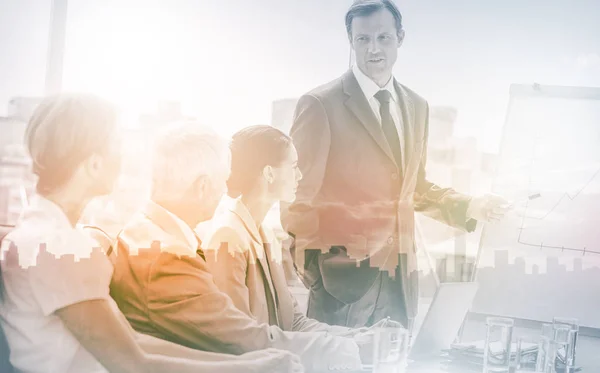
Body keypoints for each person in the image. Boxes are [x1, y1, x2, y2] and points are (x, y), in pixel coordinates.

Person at [0, 93, 303, 373]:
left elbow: (132, 342)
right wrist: (253, 368)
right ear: (93, 164)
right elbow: (132, 362)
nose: (124, 159)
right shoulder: (61, 247)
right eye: (116, 146)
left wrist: (252, 362)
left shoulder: (44, 232)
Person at [281, 0, 509, 330]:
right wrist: (316, 275)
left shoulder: (417, 107)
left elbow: (412, 187)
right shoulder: (319, 105)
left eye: (383, 38)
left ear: (400, 37)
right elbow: (295, 198)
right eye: (363, 39)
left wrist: (472, 205)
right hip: (341, 290)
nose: (373, 49)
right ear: (351, 41)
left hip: (400, 287)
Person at [109, 122, 363, 372]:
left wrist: (355, 340)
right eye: (223, 180)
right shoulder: (168, 257)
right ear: (203, 186)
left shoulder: (149, 234)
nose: (227, 190)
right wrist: (349, 349)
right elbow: (237, 338)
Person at [202, 125, 363, 333]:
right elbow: (240, 336)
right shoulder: (227, 237)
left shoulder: (266, 236)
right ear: (269, 173)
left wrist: (358, 337)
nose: (300, 175)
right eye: (293, 166)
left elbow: (293, 323)